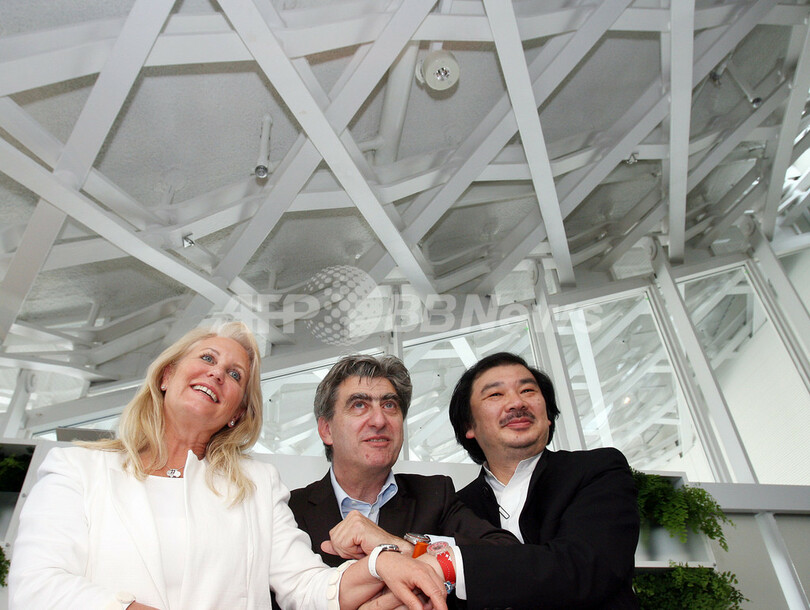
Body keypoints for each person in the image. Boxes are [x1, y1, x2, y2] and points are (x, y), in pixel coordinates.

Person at [9, 322, 447, 610]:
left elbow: (306, 585)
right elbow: (36, 586)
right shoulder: (77, 468)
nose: (218, 373)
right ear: (166, 376)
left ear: (238, 412)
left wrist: (379, 563)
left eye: (235, 375)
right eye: (206, 359)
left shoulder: (257, 485)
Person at [287, 355, 517, 601]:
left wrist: (400, 546)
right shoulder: (291, 511)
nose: (379, 420)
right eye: (359, 405)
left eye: (389, 405)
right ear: (326, 430)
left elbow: (511, 558)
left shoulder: (434, 494)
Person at [444, 351, 640, 609]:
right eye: (495, 394)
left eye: (528, 391)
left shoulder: (596, 470)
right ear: (468, 426)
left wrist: (453, 565)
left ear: (547, 415)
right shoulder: (456, 506)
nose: (517, 403)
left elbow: (585, 568)